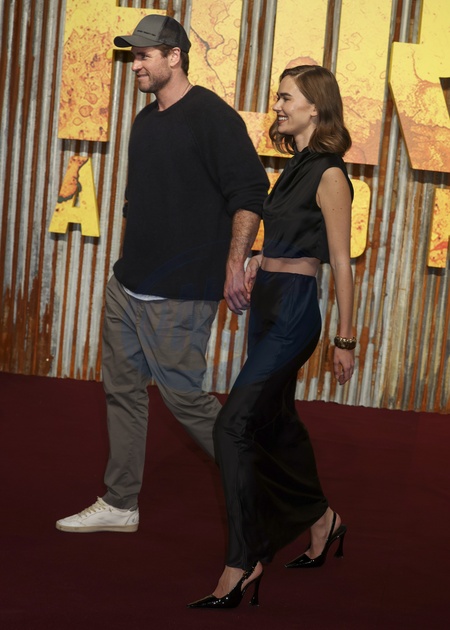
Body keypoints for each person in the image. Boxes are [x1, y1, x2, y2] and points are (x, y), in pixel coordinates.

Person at [56, 15, 268, 533]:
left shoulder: (213, 117)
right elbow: (138, 202)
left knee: (184, 398)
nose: (136, 65)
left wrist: (234, 264)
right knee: (122, 392)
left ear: (175, 56)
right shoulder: (145, 120)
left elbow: (249, 193)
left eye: (145, 55)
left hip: (180, 293)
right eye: (133, 55)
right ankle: (120, 502)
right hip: (128, 285)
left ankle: (270, 487)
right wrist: (126, 265)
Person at [188, 64, 355, 609]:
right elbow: (288, 239)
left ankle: (244, 560)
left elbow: (340, 262)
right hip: (266, 306)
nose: (277, 106)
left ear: (315, 108)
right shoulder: (293, 166)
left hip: (295, 313)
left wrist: (345, 340)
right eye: (278, 97)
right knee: (276, 424)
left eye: (286, 98)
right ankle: (323, 519)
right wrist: (260, 259)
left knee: (233, 425)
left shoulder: (329, 174)